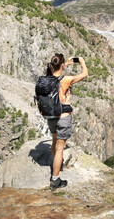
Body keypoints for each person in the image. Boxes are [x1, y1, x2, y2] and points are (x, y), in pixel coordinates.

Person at [45, 53, 88, 190]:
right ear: (62, 65)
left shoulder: (47, 78)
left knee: (54, 142)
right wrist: (81, 62)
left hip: (51, 115)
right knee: (60, 148)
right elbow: (84, 74)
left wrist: (65, 64)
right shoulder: (66, 80)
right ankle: (55, 179)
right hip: (63, 116)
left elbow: (55, 71)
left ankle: (55, 167)